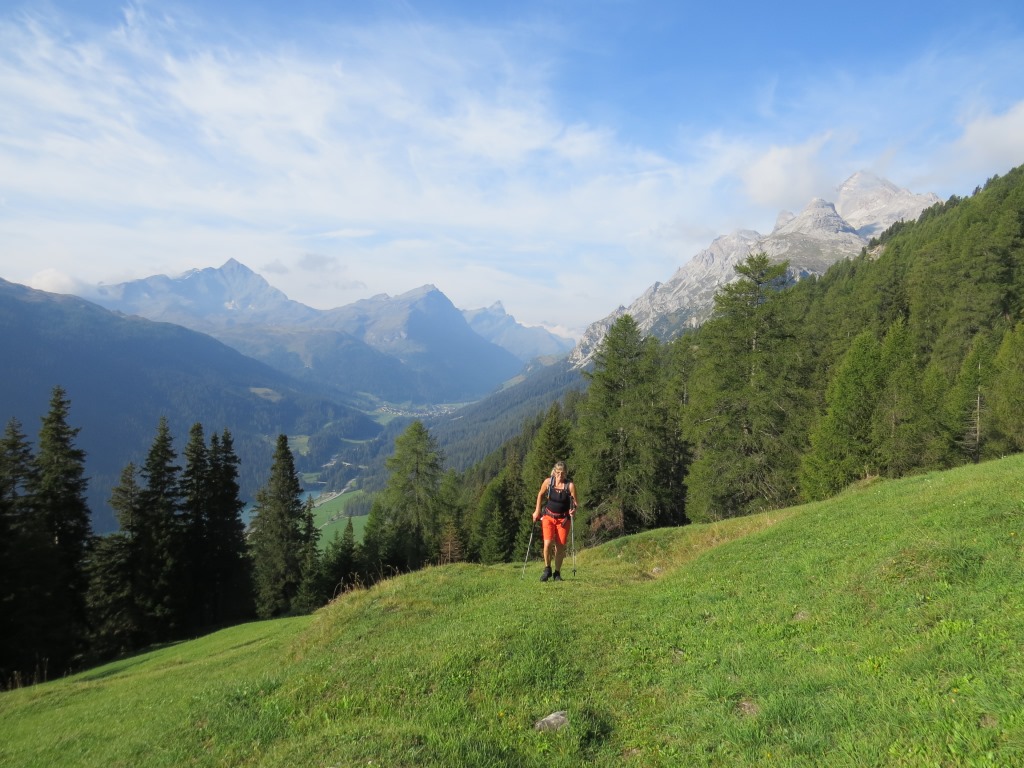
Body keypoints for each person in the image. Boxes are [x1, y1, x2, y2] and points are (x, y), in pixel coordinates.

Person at [532, 461, 578, 582]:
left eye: (562, 473)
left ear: (566, 473)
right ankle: (547, 569)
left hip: (563, 520)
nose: (560, 475)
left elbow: (575, 503)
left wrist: (573, 510)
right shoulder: (548, 482)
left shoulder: (570, 486)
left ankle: (557, 573)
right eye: (558, 472)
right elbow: (540, 494)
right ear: (554, 472)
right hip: (548, 517)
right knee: (547, 543)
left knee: (560, 547)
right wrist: (537, 511)